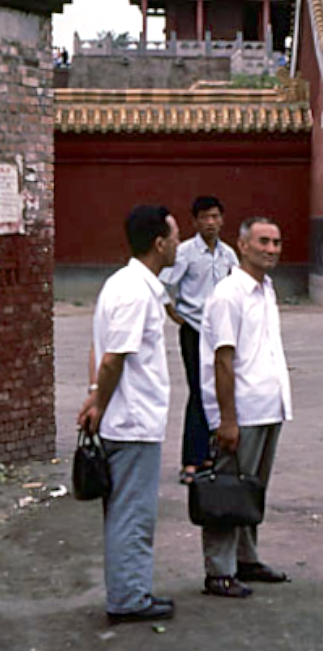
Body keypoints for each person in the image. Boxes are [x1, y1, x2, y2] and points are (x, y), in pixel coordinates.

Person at [78, 205, 180, 623]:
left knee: (124, 513)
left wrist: (93, 396)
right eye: (174, 236)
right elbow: (113, 359)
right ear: (158, 243)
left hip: (124, 417)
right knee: (132, 516)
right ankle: (128, 598)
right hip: (133, 422)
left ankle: (129, 591)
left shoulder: (119, 284)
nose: (178, 243)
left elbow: (97, 349)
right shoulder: (138, 292)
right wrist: (99, 400)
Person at [200, 217, 293, 598]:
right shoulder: (228, 294)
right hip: (243, 409)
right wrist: (227, 419)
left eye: (276, 242)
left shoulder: (266, 289)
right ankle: (218, 571)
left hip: (270, 405)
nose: (272, 249)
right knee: (228, 488)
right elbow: (223, 359)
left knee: (252, 489)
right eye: (264, 242)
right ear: (243, 246)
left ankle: (246, 559)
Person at [161, 196, 239, 485]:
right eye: (205, 217)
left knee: (218, 390)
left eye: (216, 216)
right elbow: (163, 282)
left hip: (220, 333)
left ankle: (211, 456)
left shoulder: (228, 255)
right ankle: (191, 460)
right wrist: (173, 312)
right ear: (194, 221)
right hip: (194, 329)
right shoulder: (185, 252)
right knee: (197, 390)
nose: (211, 222)